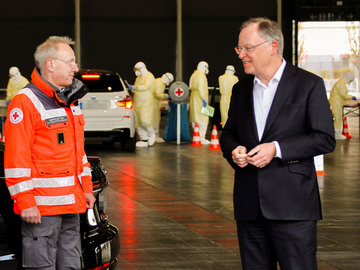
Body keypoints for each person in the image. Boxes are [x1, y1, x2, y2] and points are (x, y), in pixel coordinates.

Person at [220, 17, 336, 269]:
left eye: (248, 48)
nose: (241, 55)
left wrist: (277, 148)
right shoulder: (241, 90)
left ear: (273, 46)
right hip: (249, 206)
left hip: (292, 206)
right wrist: (234, 150)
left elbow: (324, 138)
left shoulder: (308, 85)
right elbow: (227, 135)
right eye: (239, 48)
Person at [4, 36, 96, 269]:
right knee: (41, 266)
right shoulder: (26, 102)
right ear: (51, 64)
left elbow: (78, 152)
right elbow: (16, 158)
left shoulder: (69, 101)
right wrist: (26, 202)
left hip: (71, 203)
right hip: (41, 208)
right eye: (71, 62)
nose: (76, 68)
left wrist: (86, 188)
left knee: (71, 264)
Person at [128, 62, 156, 147]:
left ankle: (151, 135)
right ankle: (144, 138)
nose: (136, 71)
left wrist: (134, 87)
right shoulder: (138, 78)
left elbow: (145, 87)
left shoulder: (149, 76)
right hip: (138, 102)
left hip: (146, 102)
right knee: (138, 122)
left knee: (145, 120)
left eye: (137, 69)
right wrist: (132, 89)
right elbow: (137, 88)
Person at [328, 69, 357, 140]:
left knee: (337, 117)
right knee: (337, 117)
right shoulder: (341, 83)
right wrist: (351, 97)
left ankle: (336, 132)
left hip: (336, 102)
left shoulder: (341, 82)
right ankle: (336, 133)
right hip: (336, 103)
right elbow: (343, 94)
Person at [189, 61, 210, 145]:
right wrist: (203, 98)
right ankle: (201, 138)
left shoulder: (194, 74)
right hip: (200, 98)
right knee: (204, 117)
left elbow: (190, 86)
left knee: (195, 117)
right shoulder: (201, 75)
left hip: (193, 97)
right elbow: (201, 87)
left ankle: (196, 136)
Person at [153, 72, 174, 143]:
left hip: (154, 103)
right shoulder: (159, 83)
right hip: (154, 104)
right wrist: (167, 96)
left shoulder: (158, 81)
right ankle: (155, 136)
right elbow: (158, 94)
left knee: (154, 120)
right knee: (155, 120)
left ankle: (153, 136)